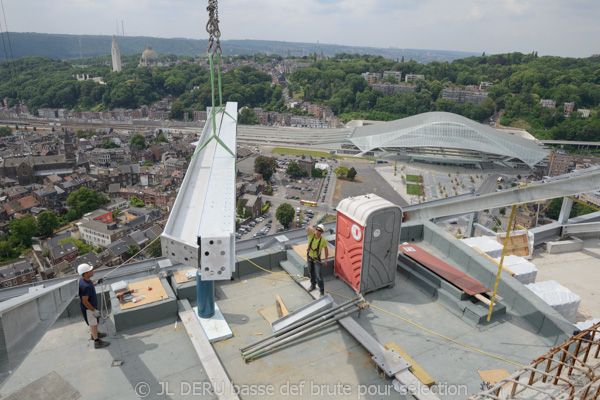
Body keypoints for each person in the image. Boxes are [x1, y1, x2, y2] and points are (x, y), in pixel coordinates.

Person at [78, 263, 110, 349]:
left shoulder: (85, 280)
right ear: (85, 273)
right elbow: (85, 301)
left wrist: (96, 283)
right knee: (93, 324)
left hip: (91, 308)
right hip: (89, 309)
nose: (92, 271)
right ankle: (97, 341)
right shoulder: (84, 286)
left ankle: (94, 334)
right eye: (90, 271)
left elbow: (90, 285)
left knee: (95, 323)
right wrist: (93, 310)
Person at [305, 223, 329, 297]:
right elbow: (307, 230)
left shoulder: (323, 240)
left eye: (319, 230)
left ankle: (321, 291)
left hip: (316, 260)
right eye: (317, 229)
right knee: (310, 272)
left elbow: (326, 250)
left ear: (322, 232)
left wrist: (325, 260)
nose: (317, 231)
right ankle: (313, 285)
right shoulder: (311, 235)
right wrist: (310, 227)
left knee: (318, 275)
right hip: (309, 257)